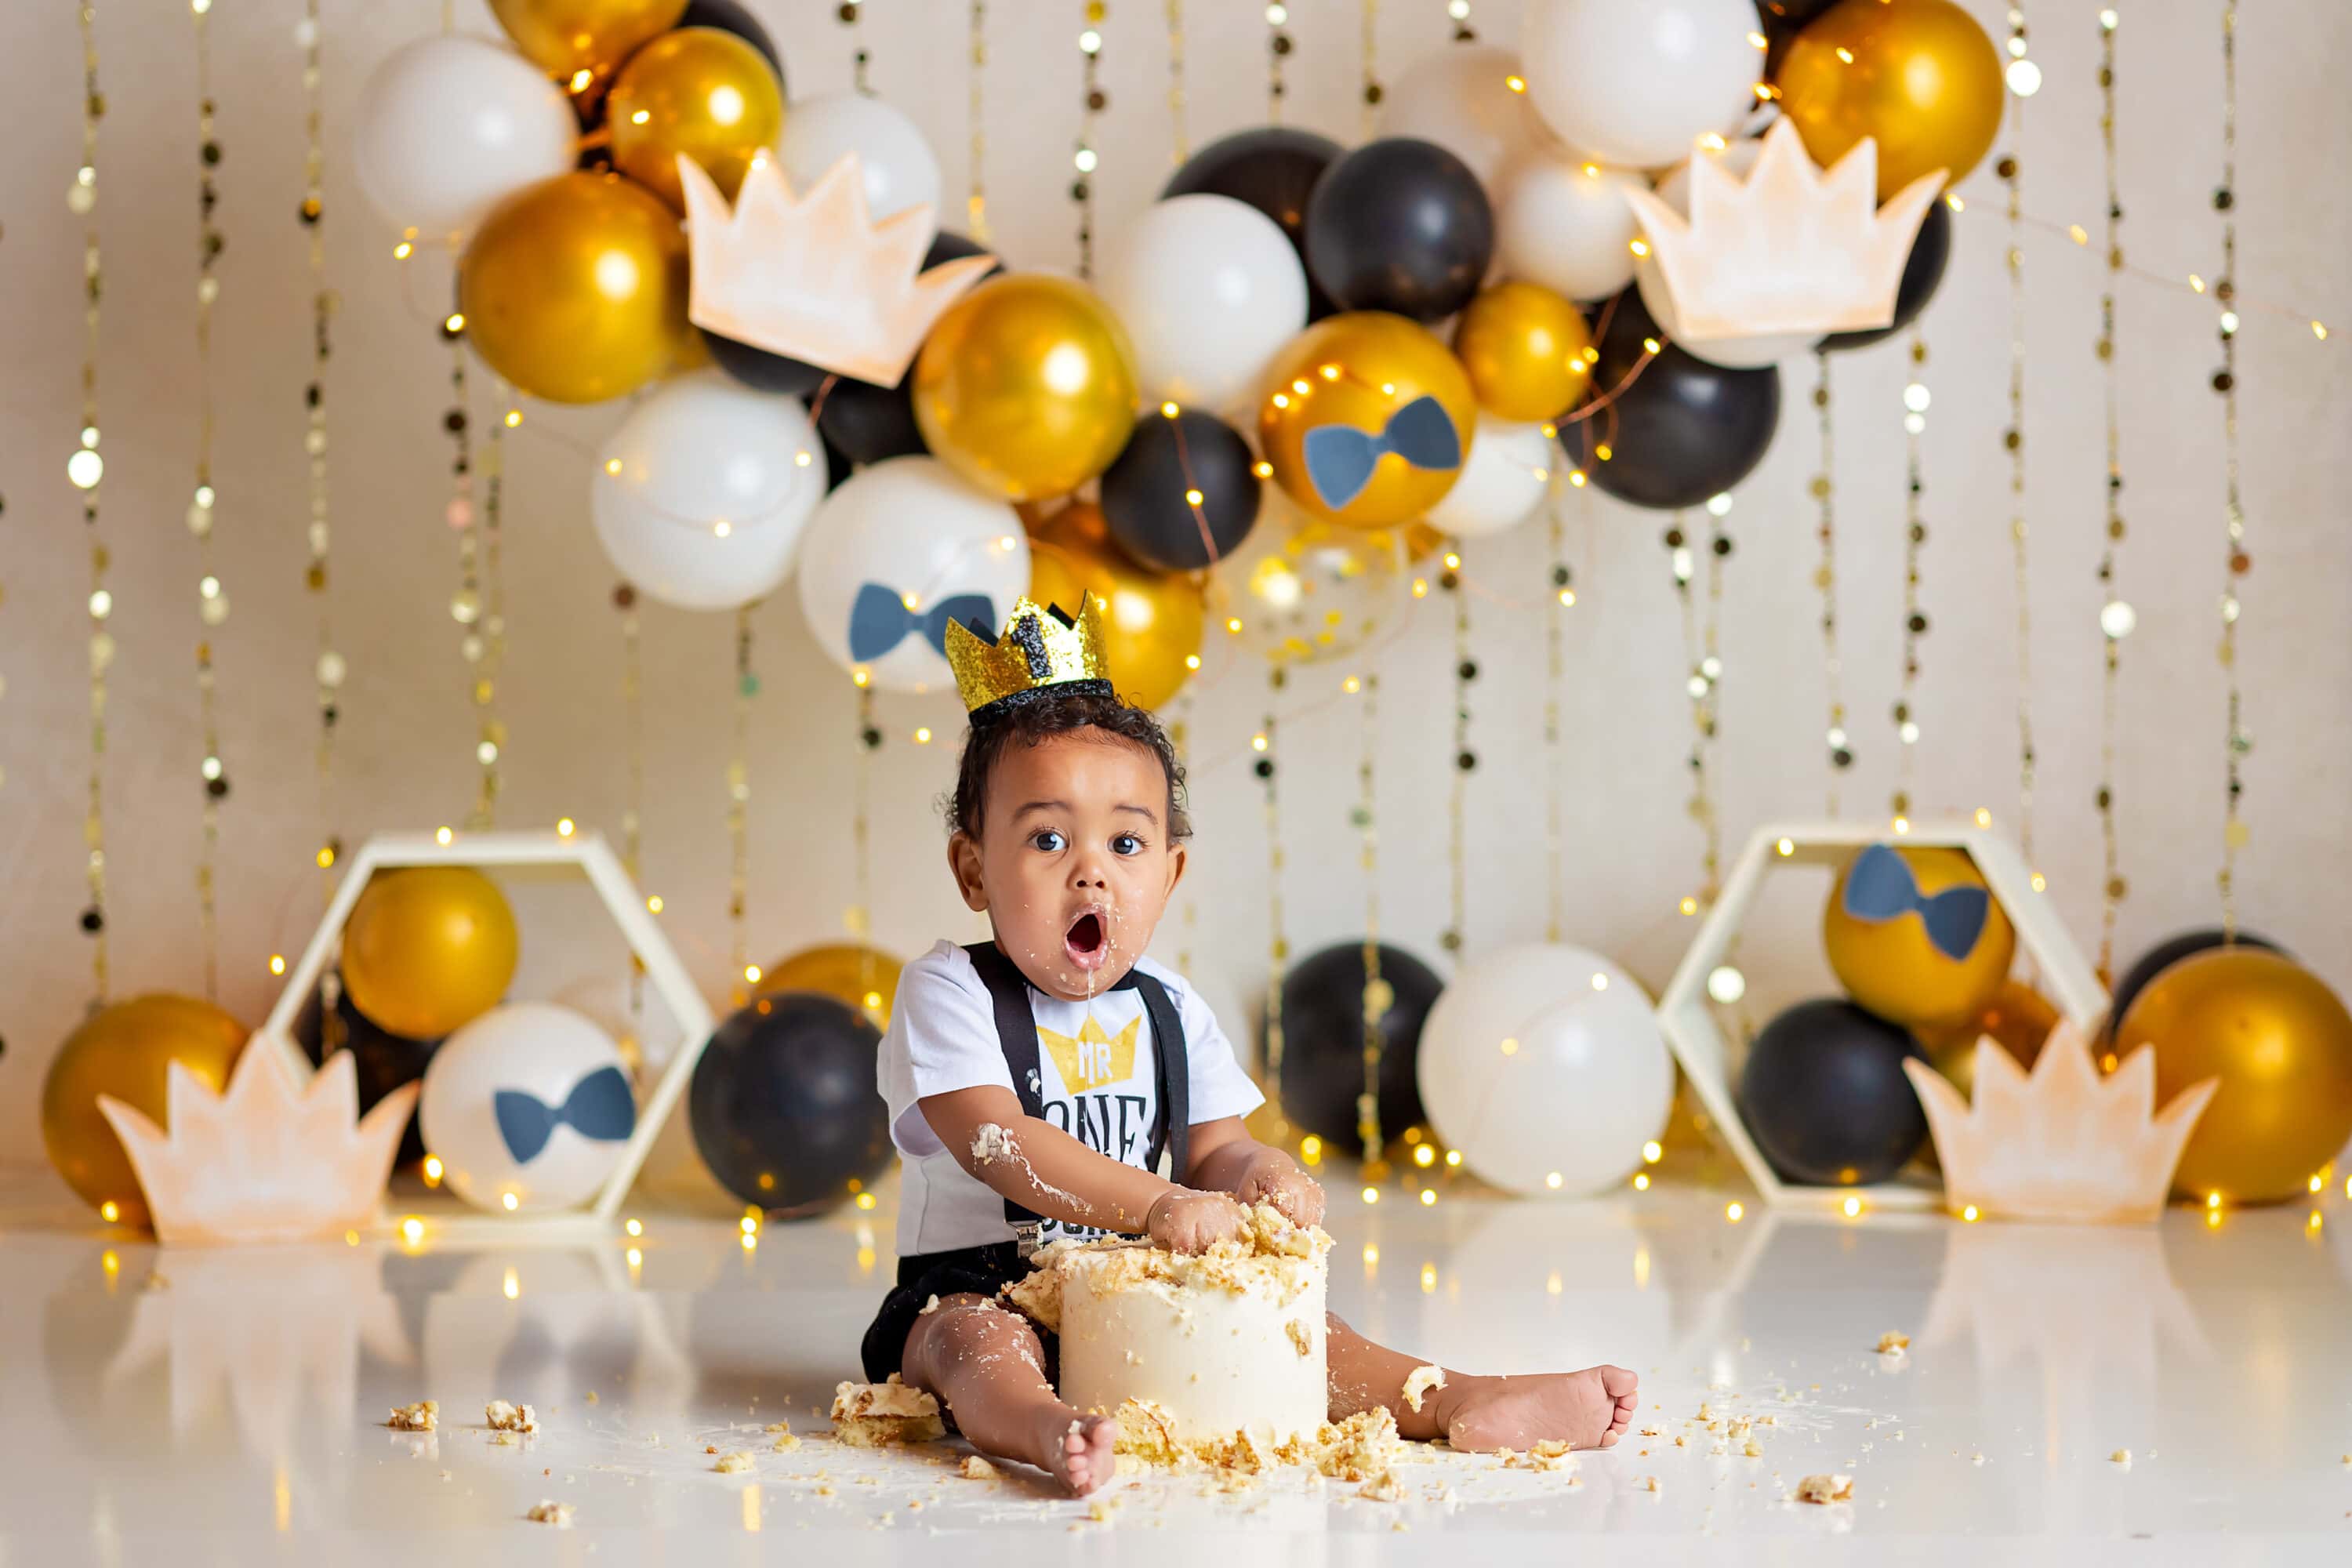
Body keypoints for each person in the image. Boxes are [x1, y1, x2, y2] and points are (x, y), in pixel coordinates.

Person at [860, 597, 1638, 1495]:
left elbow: (1215, 1147)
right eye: (1046, 837)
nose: (1092, 869)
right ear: (972, 869)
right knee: (976, 1346)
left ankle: (1459, 1397)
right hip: (979, 1283)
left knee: (1305, 1328)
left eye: (1125, 840)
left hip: (1135, 1285)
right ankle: (1043, 1426)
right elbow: (1000, 1142)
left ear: (1169, 872)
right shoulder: (950, 990)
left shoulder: (1171, 1007)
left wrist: (1255, 1171)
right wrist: (1156, 1201)